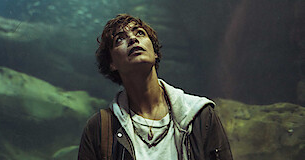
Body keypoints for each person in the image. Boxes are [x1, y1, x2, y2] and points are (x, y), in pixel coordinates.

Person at [78, 14, 233, 160]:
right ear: (112, 63)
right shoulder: (99, 130)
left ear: (155, 51)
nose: (132, 39)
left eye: (139, 33)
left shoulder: (200, 116)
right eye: (119, 39)